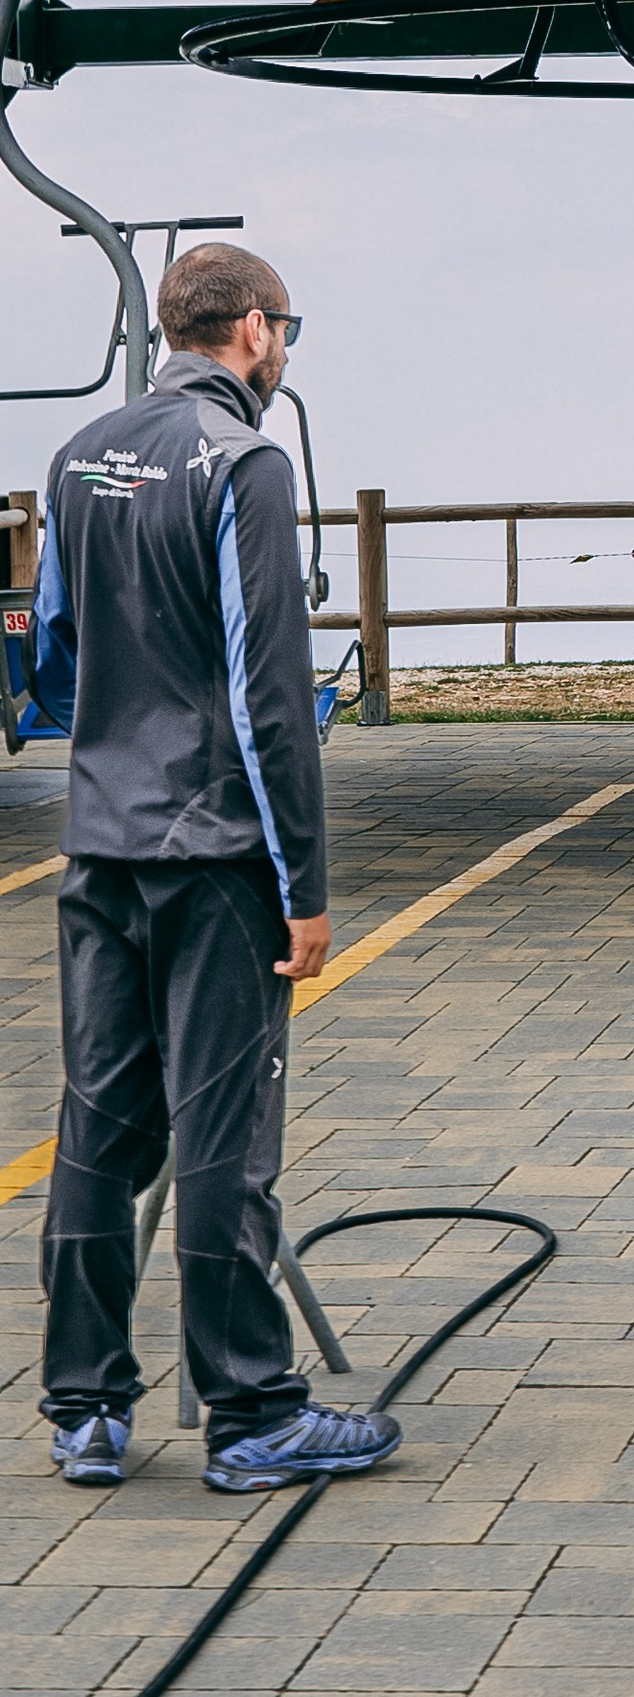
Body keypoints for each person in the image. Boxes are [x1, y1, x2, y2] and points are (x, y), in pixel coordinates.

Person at [28, 244, 403, 1491]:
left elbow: (57, 651)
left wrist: (124, 739)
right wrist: (305, 888)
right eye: (285, 327)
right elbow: (267, 694)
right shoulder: (244, 463)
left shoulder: (80, 455)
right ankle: (250, 1417)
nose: (283, 347)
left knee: (99, 1122)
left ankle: (85, 1408)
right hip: (215, 856)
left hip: (101, 842)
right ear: (251, 330)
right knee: (223, 1133)